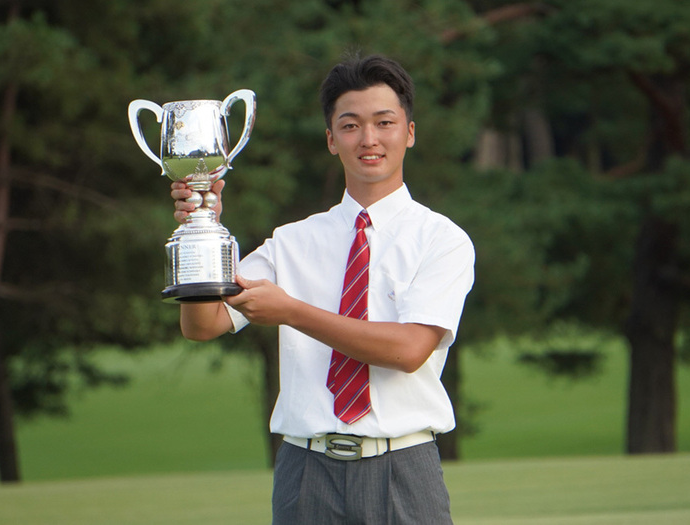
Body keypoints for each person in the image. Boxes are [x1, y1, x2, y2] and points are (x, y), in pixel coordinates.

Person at [171, 54, 474, 524]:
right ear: (331, 140)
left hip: (404, 469)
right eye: (350, 126)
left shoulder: (442, 240)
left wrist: (292, 312)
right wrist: (201, 226)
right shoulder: (293, 241)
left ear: (409, 133)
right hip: (305, 472)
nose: (368, 139)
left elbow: (409, 349)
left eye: (385, 122)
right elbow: (203, 323)